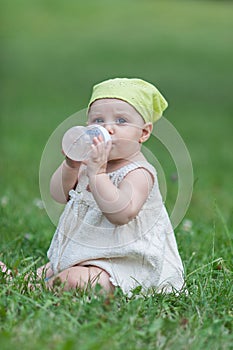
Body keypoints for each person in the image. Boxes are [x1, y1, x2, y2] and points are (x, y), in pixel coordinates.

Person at [1, 78, 185, 296]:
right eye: (98, 120)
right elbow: (59, 194)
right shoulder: (90, 162)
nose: (108, 128)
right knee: (52, 268)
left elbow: (121, 213)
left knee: (74, 280)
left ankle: (29, 290)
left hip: (127, 265)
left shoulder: (139, 173)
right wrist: (71, 164)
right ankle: (22, 280)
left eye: (121, 120)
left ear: (143, 133)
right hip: (87, 254)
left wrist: (97, 174)